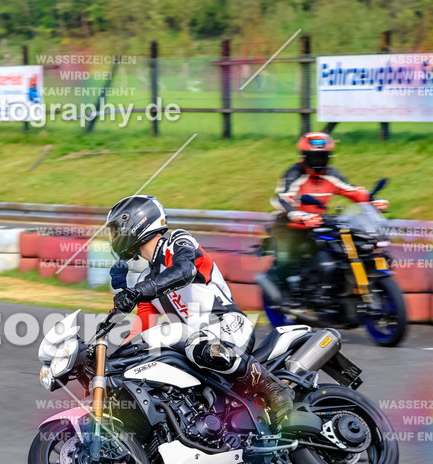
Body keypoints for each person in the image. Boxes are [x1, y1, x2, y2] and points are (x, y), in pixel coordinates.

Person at [106, 194, 292, 429]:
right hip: (197, 345)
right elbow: (141, 331)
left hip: (227, 327)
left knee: (182, 335)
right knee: (154, 364)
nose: (113, 237)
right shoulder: (146, 279)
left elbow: (184, 271)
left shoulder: (179, 241)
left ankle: (273, 388)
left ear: (135, 222)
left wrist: (139, 290)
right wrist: (112, 365)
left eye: (115, 229)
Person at [269, 132, 388, 290]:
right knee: (287, 258)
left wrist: (372, 201)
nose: (318, 161)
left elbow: (353, 191)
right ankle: (284, 292)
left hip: (317, 224)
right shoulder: (294, 174)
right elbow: (282, 198)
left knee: (339, 250)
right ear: (305, 156)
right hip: (289, 226)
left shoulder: (332, 174)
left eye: (323, 156)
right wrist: (296, 214)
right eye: (314, 156)